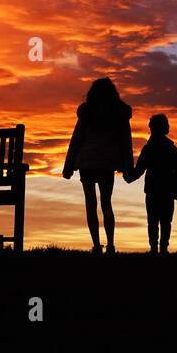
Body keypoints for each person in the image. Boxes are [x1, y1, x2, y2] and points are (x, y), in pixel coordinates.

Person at [62, 77, 134, 253]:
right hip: (107, 163)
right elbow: (126, 141)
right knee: (106, 203)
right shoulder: (119, 113)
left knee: (90, 203)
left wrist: (68, 165)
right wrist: (128, 166)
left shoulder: (87, 112)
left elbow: (76, 139)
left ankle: (96, 245)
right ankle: (110, 244)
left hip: (87, 162)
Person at [125, 113, 177, 253]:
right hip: (164, 191)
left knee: (154, 221)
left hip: (154, 190)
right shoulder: (171, 149)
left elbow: (139, 170)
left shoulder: (150, 148)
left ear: (151, 128)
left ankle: (156, 248)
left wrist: (129, 177)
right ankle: (162, 248)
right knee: (164, 221)